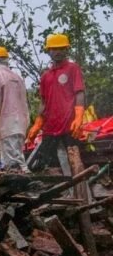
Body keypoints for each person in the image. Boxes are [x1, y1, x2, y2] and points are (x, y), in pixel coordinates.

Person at [26, 33, 85, 169]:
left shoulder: (72, 68)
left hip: (69, 125)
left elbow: (79, 92)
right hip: (50, 128)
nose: (58, 52)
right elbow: (43, 101)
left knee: (74, 163)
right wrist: (38, 123)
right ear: (49, 51)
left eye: (61, 48)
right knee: (46, 166)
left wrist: (79, 115)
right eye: (54, 49)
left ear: (66, 50)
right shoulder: (46, 76)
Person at [0, 46, 29, 172]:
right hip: (21, 123)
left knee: (13, 162)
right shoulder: (18, 78)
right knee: (18, 157)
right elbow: (24, 102)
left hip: (7, 124)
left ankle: (25, 184)